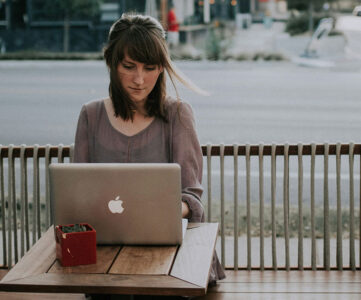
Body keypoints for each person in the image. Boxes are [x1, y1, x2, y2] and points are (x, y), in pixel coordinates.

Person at [73, 13, 225, 291]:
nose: (140, 80)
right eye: (129, 66)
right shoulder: (90, 115)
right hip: (105, 257)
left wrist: (155, 212)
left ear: (162, 68)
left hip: (172, 260)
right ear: (111, 62)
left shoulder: (178, 113)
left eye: (150, 67)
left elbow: (192, 200)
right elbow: (75, 195)